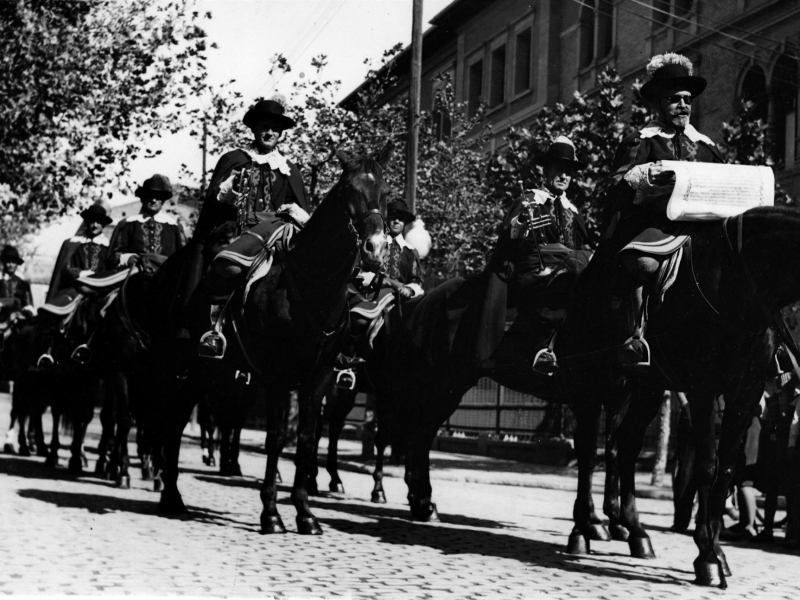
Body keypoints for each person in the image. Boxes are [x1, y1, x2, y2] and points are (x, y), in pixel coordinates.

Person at [602, 53, 723, 368]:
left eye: (688, 99)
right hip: (662, 229)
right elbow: (615, 184)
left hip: (707, 228)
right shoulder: (641, 141)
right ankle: (636, 337)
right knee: (643, 264)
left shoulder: (708, 147)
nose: (683, 105)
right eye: (675, 99)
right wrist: (644, 175)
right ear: (657, 102)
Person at [185, 97, 309, 359]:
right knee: (226, 265)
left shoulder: (289, 170)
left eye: (275, 128)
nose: (270, 132)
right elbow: (216, 199)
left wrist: (296, 213)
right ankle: (214, 329)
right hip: (236, 231)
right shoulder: (235, 159)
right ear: (253, 129)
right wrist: (231, 191)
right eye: (264, 126)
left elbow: (297, 206)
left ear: (281, 133)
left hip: (275, 235)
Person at [491, 136, 592, 373]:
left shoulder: (573, 211)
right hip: (534, 271)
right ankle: (543, 349)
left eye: (568, 171)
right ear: (546, 171)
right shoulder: (529, 201)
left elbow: (583, 245)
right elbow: (510, 237)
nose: (564, 175)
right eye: (559, 169)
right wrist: (523, 220)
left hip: (568, 269)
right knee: (560, 284)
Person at [336, 200, 424, 388]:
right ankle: (347, 367)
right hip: (371, 295)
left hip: (400, 299)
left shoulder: (410, 252)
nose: (396, 221)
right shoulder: (371, 244)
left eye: (401, 219)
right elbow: (359, 271)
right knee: (358, 320)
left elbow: (417, 280)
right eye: (393, 217)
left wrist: (409, 288)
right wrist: (382, 280)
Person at [36, 201, 112, 368]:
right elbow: (65, 268)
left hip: (99, 290)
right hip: (74, 288)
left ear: (104, 225)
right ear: (86, 222)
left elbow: (111, 269)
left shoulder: (108, 248)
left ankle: (89, 349)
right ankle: (46, 352)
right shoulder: (72, 243)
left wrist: (99, 278)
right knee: (51, 311)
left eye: (99, 222)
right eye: (91, 221)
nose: (94, 225)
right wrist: (80, 273)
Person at [106, 174, 185, 272]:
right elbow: (111, 257)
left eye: (158, 197)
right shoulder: (128, 224)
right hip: (135, 274)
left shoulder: (173, 226)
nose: (153, 200)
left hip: (165, 275)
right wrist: (127, 259)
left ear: (163, 200)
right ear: (143, 198)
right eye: (149, 195)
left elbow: (181, 258)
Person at [0, 245, 34, 322]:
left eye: (13, 262)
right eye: (8, 261)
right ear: (4, 262)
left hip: (17, 322)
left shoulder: (23, 284)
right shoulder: (0, 281)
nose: (11, 264)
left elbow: (29, 306)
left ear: (17, 264)